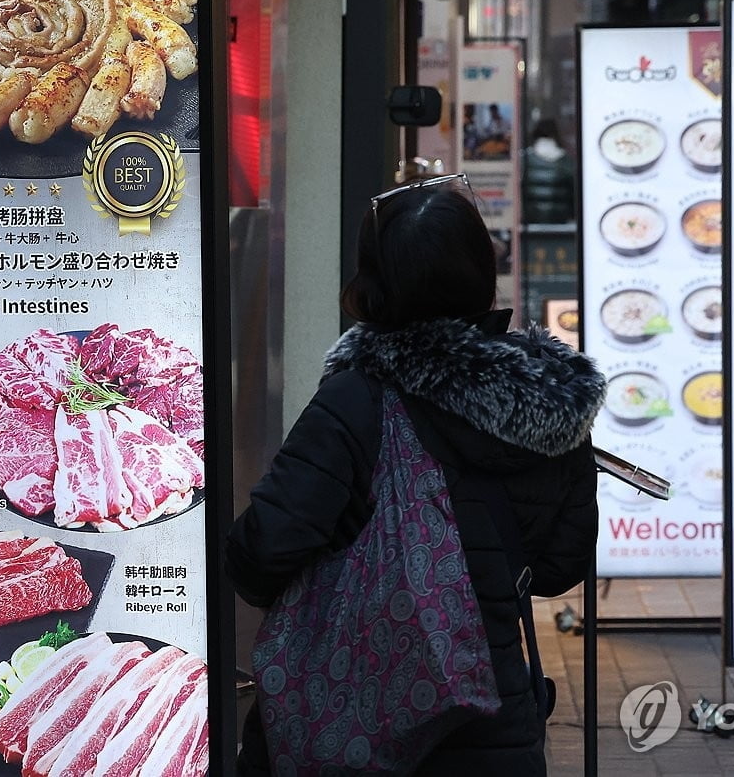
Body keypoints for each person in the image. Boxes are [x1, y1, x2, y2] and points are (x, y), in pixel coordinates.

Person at [227, 179, 605, 775]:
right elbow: (558, 569)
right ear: (485, 269)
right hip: (493, 729)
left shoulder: (355, 402)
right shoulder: (554, 407)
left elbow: (259, 556)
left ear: (374, 284)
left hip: (351, 721)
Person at [523, 119, 576, 223]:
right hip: (561, 224)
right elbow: (574, 196)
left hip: (531, 224)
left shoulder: (524, 160)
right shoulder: (567, 161)